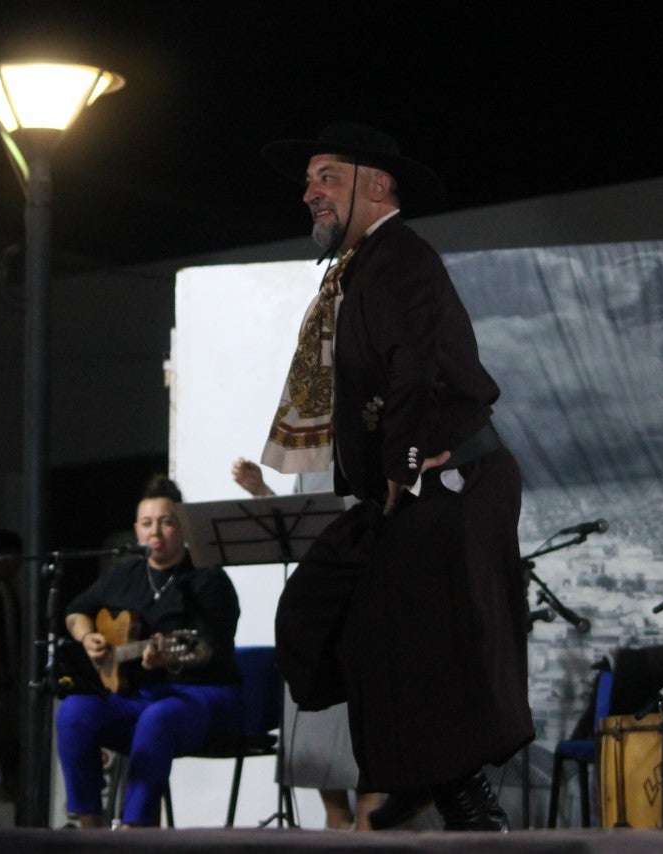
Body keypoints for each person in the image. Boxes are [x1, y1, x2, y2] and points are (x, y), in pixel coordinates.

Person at [260, 122, 532, 831]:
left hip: (449, 482)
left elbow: (415, 363)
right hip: (411, 484)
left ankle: (456, 794)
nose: (309, 192)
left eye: (327, 177)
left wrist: (401, 463)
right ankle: (426, 777)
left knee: (420, 641)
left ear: (376, 186)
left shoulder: (398, 258)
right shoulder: (361, 269)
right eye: (311, 179)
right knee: (333, 618)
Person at [55, 475, 242, 828]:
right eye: (147, 523)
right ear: (136, 531)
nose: (155, 532)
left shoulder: (208, 579)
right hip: (140, 696)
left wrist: (170, 658)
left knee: (158, 719)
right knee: (74, 711)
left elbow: (212, 649)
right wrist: (87, 637)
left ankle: (133, 832)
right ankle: (90, 829)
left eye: (166, 522)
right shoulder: (124, 574)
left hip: (202, 697)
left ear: (183, 527)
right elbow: (75, 611)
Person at [231, 457, 382, 831]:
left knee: (370, 771)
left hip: (367, 612)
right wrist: (262, 493)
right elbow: (299, 530)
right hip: (318, 619)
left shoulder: (378, 453)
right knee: (328, 782)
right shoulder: (311, 464)